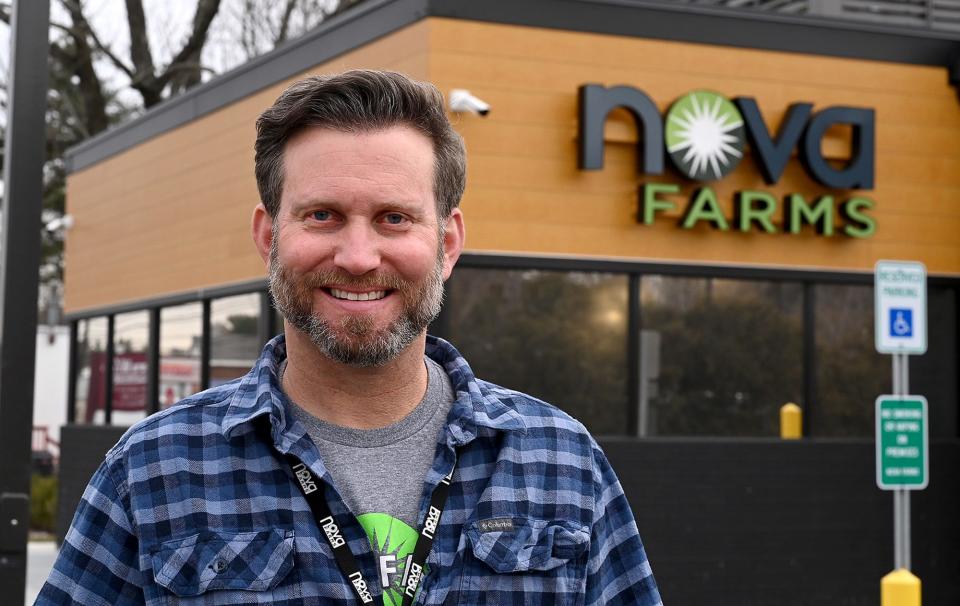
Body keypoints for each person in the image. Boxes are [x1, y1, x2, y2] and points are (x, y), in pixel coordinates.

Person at [38, 70, 662, 605]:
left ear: (446, 244)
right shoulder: (156, 469)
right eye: (322, 215)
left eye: (394, 218)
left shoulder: (562, 462)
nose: (359, 256)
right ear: (268, 237)